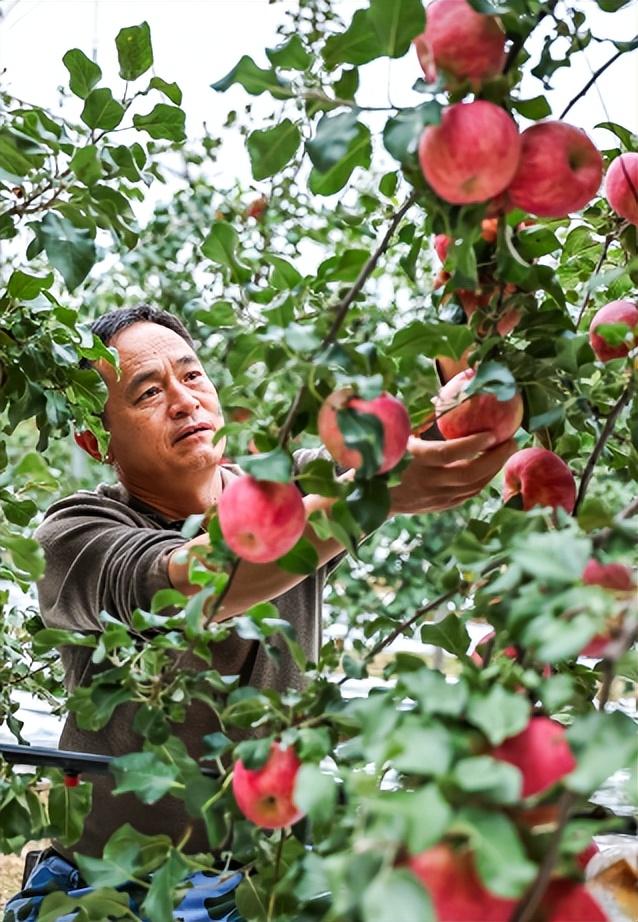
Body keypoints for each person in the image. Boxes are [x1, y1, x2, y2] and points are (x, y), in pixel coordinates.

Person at [3, 305, 516, 921]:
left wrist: (473, 341)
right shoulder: (73, 533)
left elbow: (423, 445)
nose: (184, 401)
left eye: (192, 377)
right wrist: (360, 502)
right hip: (109, 889)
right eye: (148, 392)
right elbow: (196, 581)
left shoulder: (294, 485)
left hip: (260, 881)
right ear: (95, 438)